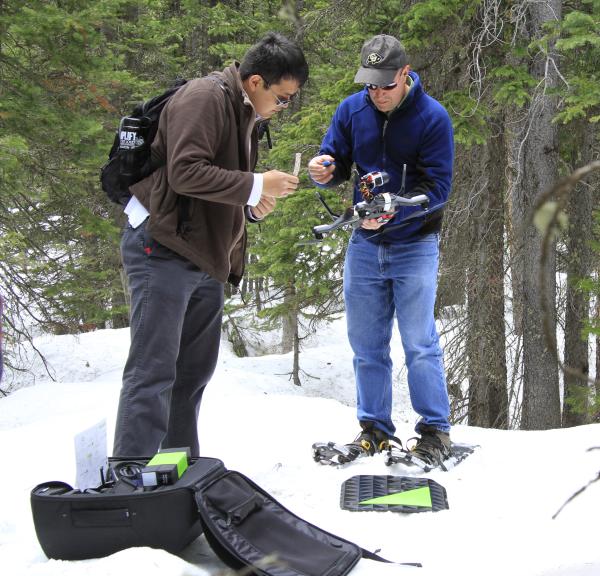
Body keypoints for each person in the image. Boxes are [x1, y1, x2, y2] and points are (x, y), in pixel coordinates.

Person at [113, 33, 309, 456]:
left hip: (201, 255)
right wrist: (256, 184)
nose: (283, 108)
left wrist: (252, 207)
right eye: (283, 97)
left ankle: (176, 474)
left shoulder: (244, 113)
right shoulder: (203, 98)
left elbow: (214, 190)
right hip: (162, 246)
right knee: (153, 371)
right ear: (256, 81)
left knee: (191, 374)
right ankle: (130, 484)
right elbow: (185, 173)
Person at [308, 34, 454, 466]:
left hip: (415, 244)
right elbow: (335, 161)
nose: (377, 93)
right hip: (365, 246)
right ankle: (374, 429)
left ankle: (434, 432)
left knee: (418, 342)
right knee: (366, 344)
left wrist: (396, 212)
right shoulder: (352, 110)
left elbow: (438, 187)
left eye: (385, 85)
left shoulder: (432, 117)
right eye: (370, 85)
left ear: (404, 75)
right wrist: (324, 170)